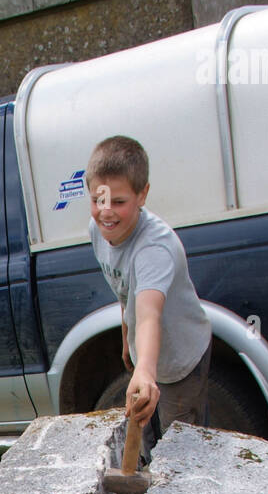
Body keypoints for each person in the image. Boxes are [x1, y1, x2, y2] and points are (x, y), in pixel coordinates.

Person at [86, 135, 212, 446]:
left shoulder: (155, 249)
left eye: (119, 202)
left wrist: (144, 369)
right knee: (146, 435)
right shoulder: (99, 231)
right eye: (97, 200)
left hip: (181, 362)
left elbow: (149, 315)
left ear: (143, 195)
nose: (106, 212)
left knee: (180, 450)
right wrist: (128, 338)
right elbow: (124, 290)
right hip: (148, 352)